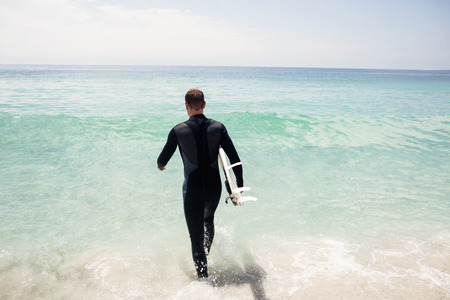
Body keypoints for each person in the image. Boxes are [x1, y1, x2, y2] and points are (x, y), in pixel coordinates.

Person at [157, 88, 243, 279]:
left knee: (195, 238)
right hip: (214, 188)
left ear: (186, 106)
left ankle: (204, 281)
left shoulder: (178, 131)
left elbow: (162, 160)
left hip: (193, 190)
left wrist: (160, 166)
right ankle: (207, 257)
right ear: (204, 105)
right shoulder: (219, 127)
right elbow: (235, 160)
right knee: (208, 220)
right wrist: (237, 186)